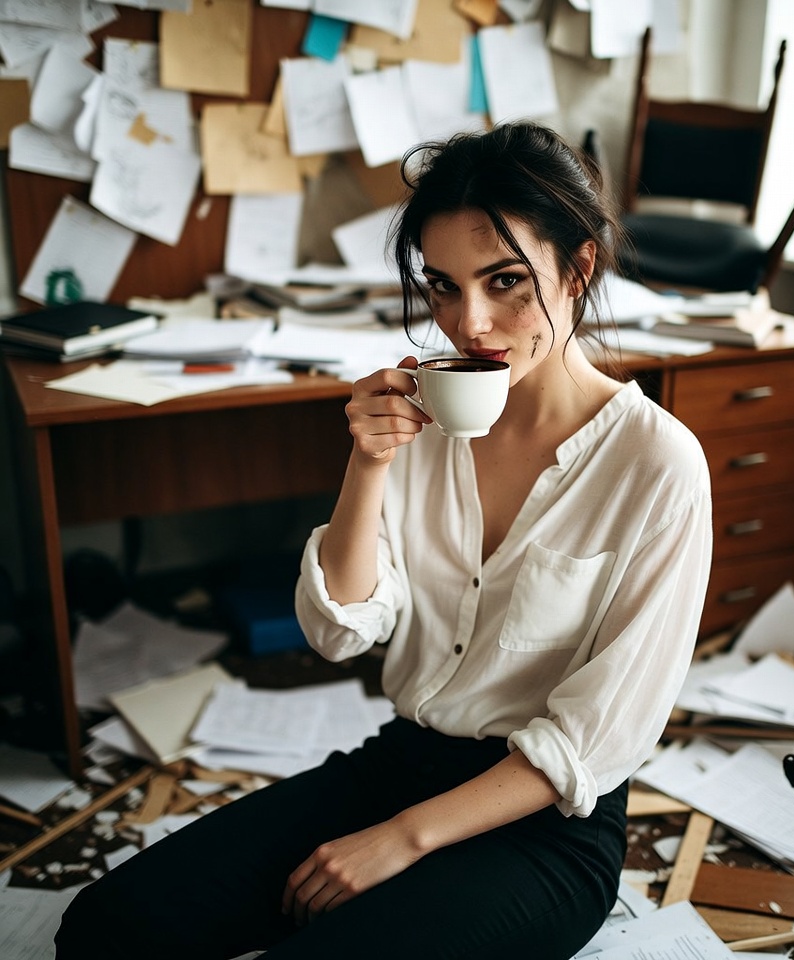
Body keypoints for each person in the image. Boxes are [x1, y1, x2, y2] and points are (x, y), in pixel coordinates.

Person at [56, 121, 712, 960]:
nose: (469, 323)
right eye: (442, 287)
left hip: (543, 821)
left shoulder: (656, 466)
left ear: (578, 268)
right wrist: (367, 465)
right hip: (399, 763)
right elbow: (338, 632)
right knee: (105, 928)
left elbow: (594, 740)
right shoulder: (424, 419)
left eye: (506, 281)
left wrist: (401, 839)